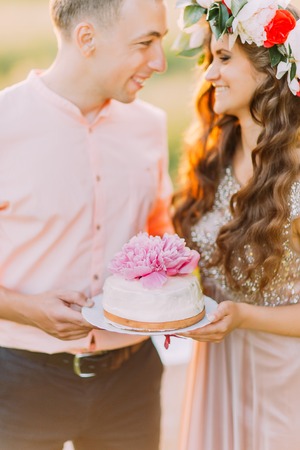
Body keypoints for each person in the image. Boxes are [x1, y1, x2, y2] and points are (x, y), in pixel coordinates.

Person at [0, 0, 173, 449]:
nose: (159, 61)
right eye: (145, 44)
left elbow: (161, 234)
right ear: (87, 39)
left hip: (131, 382)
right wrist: (26, 309)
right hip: (17, 381)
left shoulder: (151, 127)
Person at [172, 1, 300, 449]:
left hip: (285, 384)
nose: (209, 74)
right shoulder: (214, 156)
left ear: (270, 70)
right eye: (209, 58)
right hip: (216, 371)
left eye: (223, 58)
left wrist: (243, 316)